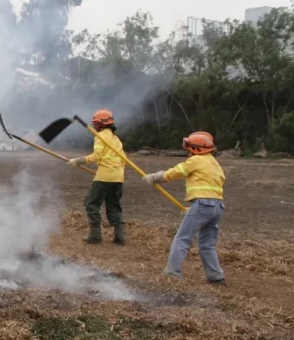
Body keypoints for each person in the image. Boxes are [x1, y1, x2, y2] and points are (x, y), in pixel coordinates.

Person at [142, 131, 226, 284]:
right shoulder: (215, 163)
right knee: (207, 244)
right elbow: (211, 190)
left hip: (202, 205)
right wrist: (195, 209)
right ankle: (216, 276)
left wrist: (155, 177)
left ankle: (172, 274)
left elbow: (176, 172)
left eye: (189, 148)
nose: (188, 151)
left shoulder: (196, 160)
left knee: (182, 239)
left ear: (196, 149)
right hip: (217, 207)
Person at [67, 109, 126, 245]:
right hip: (118, 177)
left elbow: (97, 155)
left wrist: (78, 160)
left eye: (95, 123)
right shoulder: (116, 139)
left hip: (104, 176)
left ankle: (95, 236)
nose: (94, 126)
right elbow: (123, 159)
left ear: (101, 124)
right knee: (114, 206)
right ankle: (120, 237)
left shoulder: (99, 136)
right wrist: (115, 171)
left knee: (91, 203)